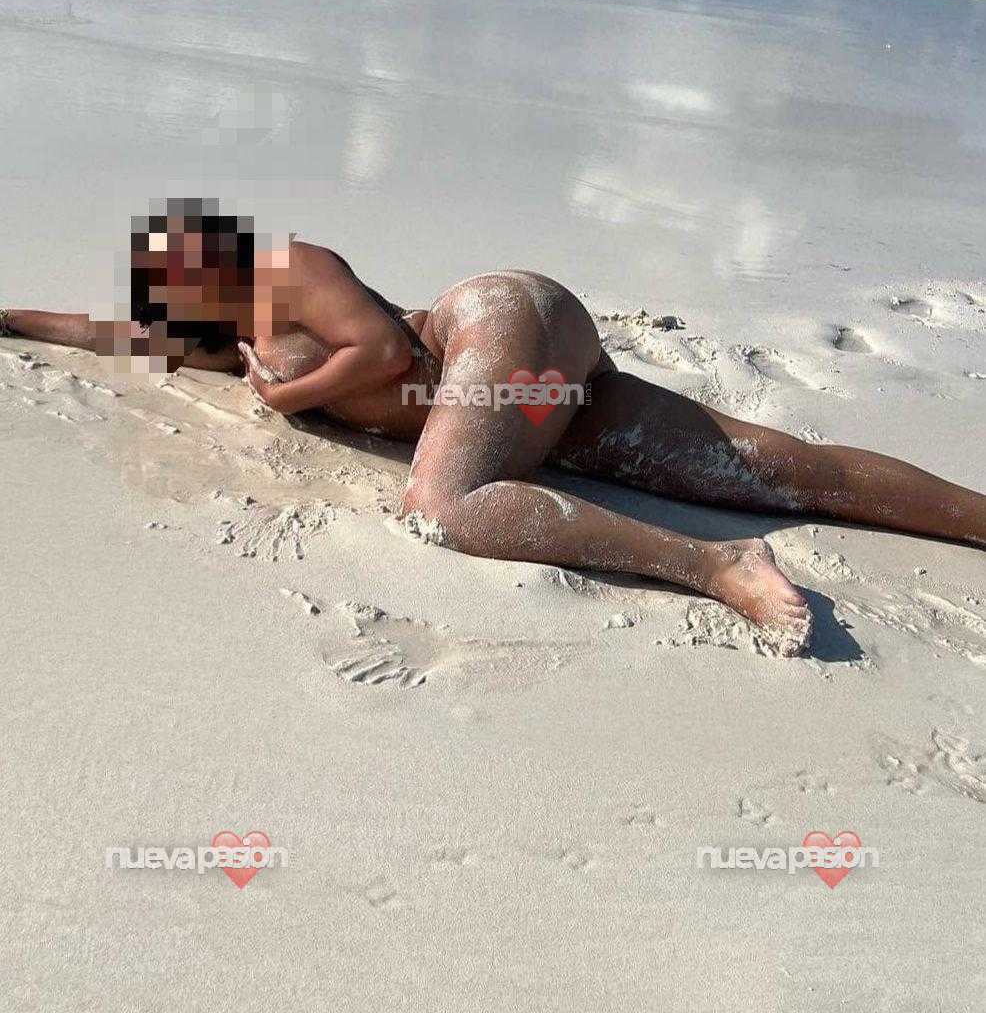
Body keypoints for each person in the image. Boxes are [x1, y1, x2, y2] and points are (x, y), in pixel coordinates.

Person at [4, 200, 984, 657]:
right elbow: (105, 335)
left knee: (443, 504)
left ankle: (717, 566)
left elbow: (381, 351)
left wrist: (285, 399)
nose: (166, 293)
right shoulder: (235, 339)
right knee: (777, 469)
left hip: (499, 321)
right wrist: (11, 318)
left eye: (174, 269)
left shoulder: (286, 268)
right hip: (534, 405)